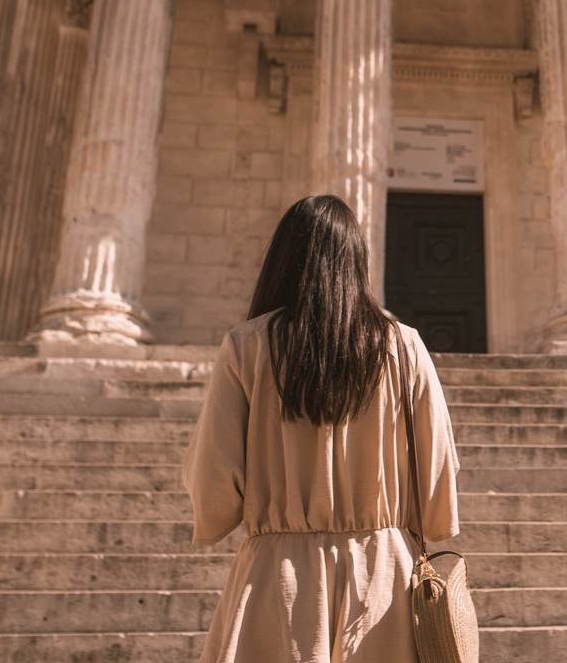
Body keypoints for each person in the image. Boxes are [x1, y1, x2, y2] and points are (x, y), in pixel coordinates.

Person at [182, 194, 461, 663]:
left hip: (278, 582)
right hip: (384, 581)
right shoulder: (404, 345)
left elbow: (213, 482)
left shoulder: (247, 346)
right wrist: (425, 519)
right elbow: (439, 470)